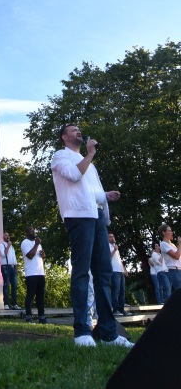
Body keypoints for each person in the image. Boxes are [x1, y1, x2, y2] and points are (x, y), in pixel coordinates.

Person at [51, 123, 133, 348]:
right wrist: (90, 154)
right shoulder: (60, 157)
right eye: (73, 130)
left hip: (96, 217)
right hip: (78, 216)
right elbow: (74, 175)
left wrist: (106, 195)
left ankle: (108, 333)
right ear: (64, 137)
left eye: (79, 129)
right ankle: (82, 331)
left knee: (103, 273)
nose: (78, 131)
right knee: (81, 272)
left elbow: (92, 192)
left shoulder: (91, 166)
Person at [21, 226, 47, 324]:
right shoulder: (25, 242)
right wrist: (36, 244)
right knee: (30, 295)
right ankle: (28, 316)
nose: (33, 231)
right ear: (26, 233)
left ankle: (42, 317)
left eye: (33, 230)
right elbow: (30, 256)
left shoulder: (38, 244)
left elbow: (42, 259)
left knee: (40, 296)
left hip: (40, 273)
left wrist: (43, 255)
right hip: (31, 274)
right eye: (30, 230)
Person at [0, 232, 21, 310]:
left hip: (13, 268)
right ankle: (6, 304)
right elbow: (3, 254)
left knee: (14, 286)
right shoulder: (1, 245)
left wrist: (16, 268)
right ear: (3, 237)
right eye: (6, 235)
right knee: (6, 285)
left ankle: (14, 304)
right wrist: (8, 246)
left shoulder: (12, 247)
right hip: (6, 267)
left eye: (8, 235)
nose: (7, 236)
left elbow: (14, 258)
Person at [108, 233, 128, 315]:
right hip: (114, 271)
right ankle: (115, 310)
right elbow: (108, 257)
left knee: (122, 292)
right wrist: (114, 250)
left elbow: (119, 260)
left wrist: (124, 269)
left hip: (120, 271)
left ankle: (121, 309)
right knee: (116, 291)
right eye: (111, 237)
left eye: (113, 236)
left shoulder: (115, 247)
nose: (113, 238)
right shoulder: (107, 246)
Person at [158, 223, 181, 290]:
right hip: (174, 271)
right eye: (169, 231)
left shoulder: (172, 244)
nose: (172, 232)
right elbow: (176, 256)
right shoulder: (163, 244)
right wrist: (179, 244)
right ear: (163, 232)